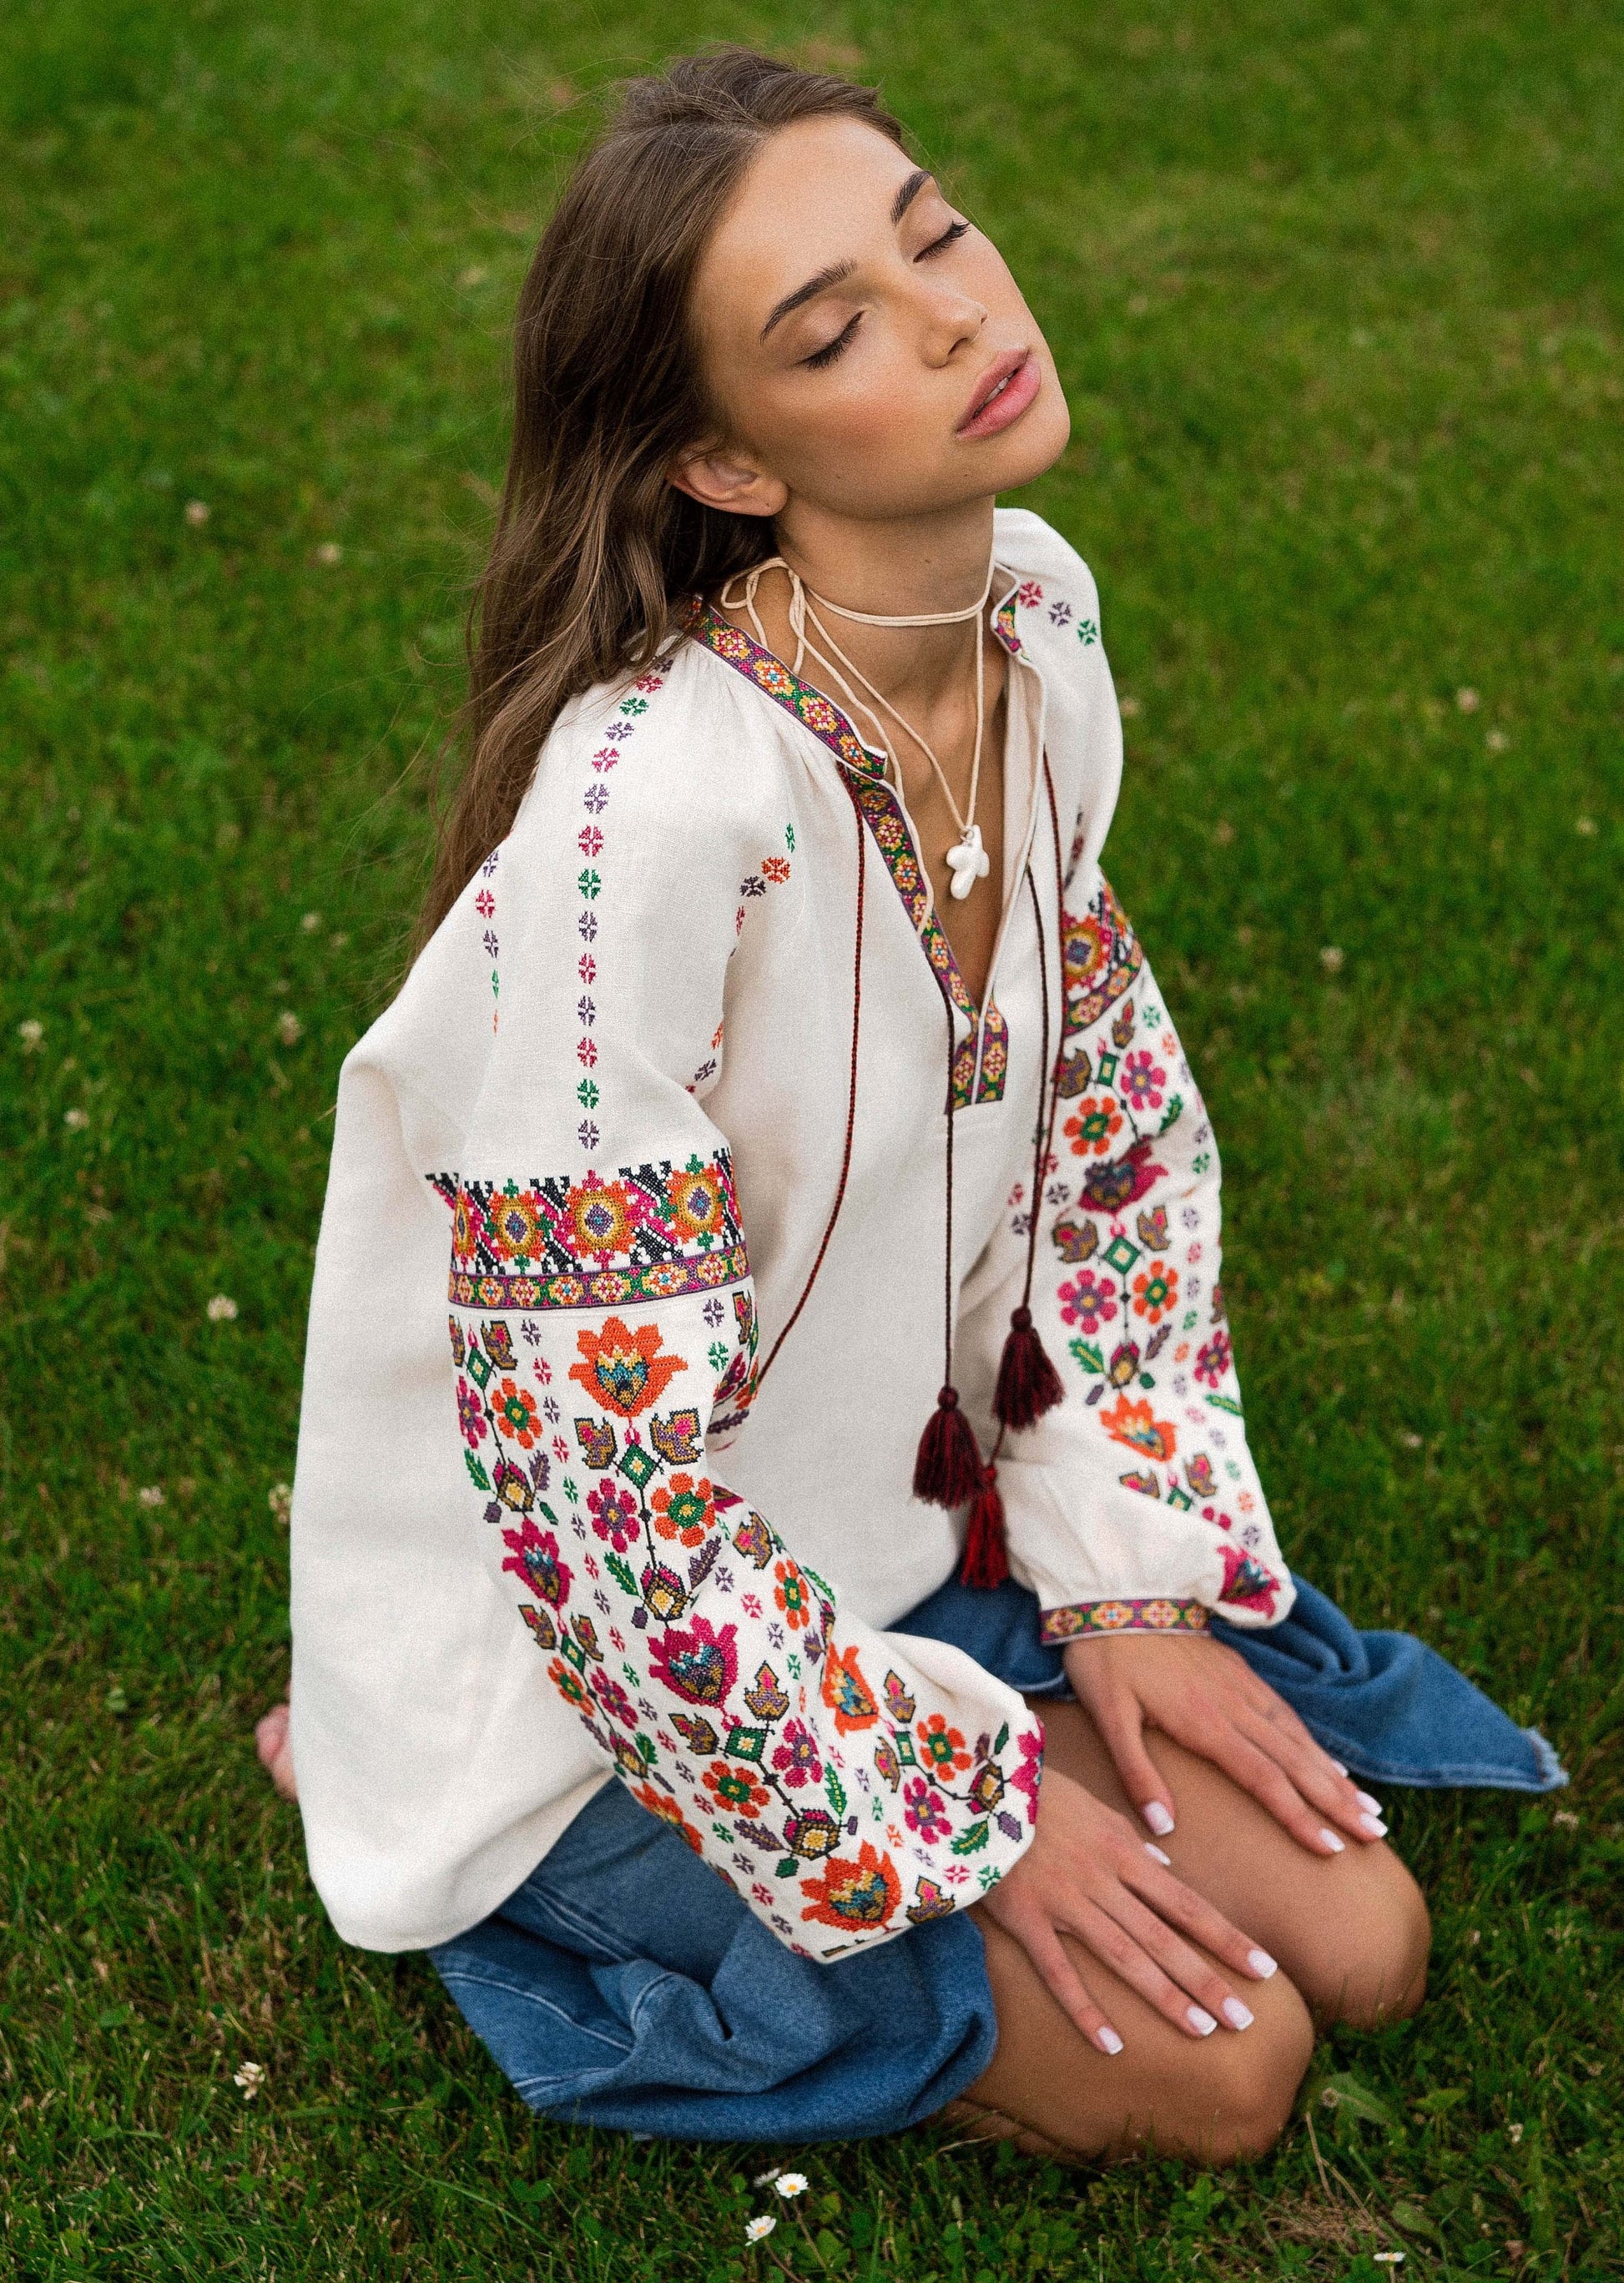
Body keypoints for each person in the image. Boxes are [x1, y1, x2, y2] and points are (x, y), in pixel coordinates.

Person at [262, 48, 1564, 2163]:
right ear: (727, 458)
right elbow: (597, 1503)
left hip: (876, 1533)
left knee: (1364, 1936)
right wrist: (969, 1822)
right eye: (832, 326)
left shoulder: (1034, 617)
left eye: (933, 228)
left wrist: (1120, 1576)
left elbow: (1104, 1127)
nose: (955, 308)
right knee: (1229, 2075)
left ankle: (950, 1666)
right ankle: (379, 1745)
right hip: (591, 1642)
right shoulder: (647, 819)